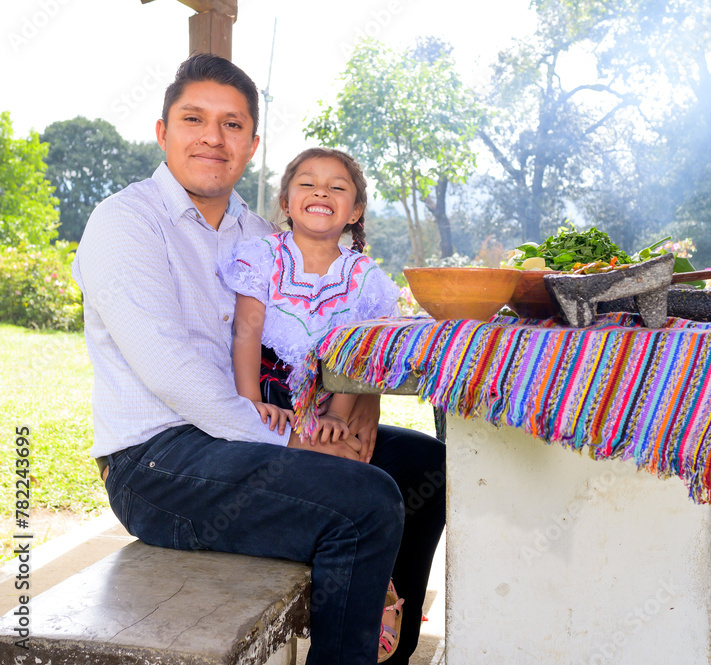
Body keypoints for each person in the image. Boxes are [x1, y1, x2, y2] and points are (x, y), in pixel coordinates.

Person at [71, 53, 445, 664]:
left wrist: (362, 408)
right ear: (163, 132)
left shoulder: (260, 237)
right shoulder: (126, 222)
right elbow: (171, 371)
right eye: (194, 119)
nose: (214, 137)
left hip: (251, 432)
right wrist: (294, 443)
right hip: (157, 460)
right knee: (367, 503)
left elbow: (337, 321)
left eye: (233, 124)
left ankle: (385, 650)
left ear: (252, 143)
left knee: (426, 465)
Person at [224, 147, 401, 454]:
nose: (321, 193)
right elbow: (246, 332)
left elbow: (358, 353)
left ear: (355, 211)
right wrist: (250, 404)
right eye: (307, 184)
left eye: (336, 187)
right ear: (286, 204)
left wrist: (337, 415)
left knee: (347, 465)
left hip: (331, 401)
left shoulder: (365, 277)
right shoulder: (263, 255)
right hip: (268, 399)